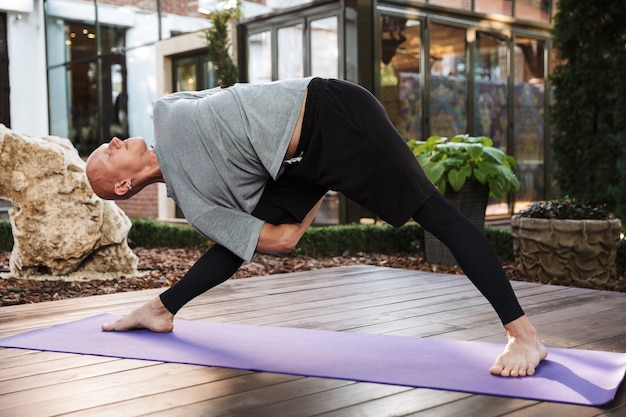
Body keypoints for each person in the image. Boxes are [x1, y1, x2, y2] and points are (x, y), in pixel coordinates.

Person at [86, 77, 547, 377]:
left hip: (335, 111)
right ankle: (160, 309)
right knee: (232, 245)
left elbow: (239, 96)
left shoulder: (166, 109)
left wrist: (318, 176)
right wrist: (321, 183)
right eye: (107, 155)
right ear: (124, 185)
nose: (112, 141)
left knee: (438, 215)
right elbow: (279, 240)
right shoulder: (199, 205)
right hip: (302, 164)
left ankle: (523, 336)